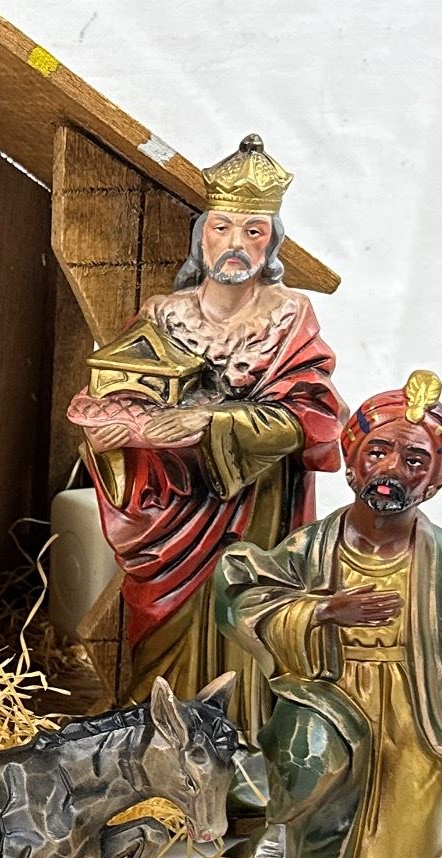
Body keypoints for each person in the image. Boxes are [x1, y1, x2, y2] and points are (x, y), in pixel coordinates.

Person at [68, 136, 343, 733]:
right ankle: (158, 742)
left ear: (271, 242)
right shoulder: (163, 313)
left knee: (242, 619)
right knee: (160, 624)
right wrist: (111, 439)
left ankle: (237, 743)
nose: (236, 243)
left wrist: (210, 422)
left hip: (254, 504)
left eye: (253, 230)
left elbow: (314, 416)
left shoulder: (289, 316)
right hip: (171, 505)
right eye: (222, 227)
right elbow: (117, 387)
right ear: (202, 237)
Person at [214, 372, 442, 858]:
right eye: (378, 451)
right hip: (332, 698)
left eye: (415, 461)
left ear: (433, 484)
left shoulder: (437, 554)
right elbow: (245, 595)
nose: (392, 469)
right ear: (352, 464)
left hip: (417, 712)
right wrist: (322, 611)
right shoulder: (314, 545)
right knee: (318, 787)